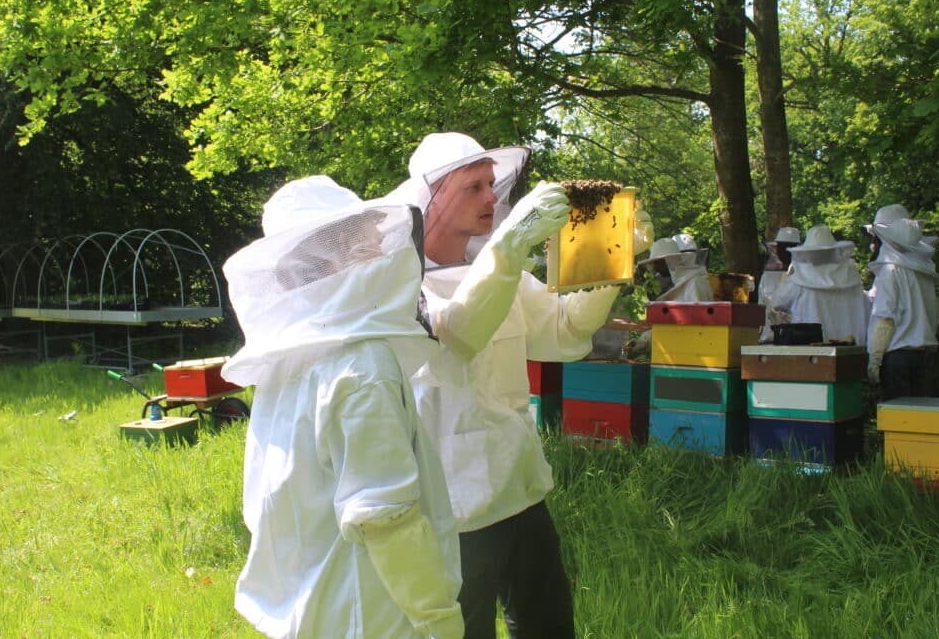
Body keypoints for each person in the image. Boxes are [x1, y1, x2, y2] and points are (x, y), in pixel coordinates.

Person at [386, 132, 652, 639]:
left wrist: (613, 263)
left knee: (547, 624)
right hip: (451, 502)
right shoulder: (401, 283)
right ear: (431, 196)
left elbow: (567, 333)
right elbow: (461, 332)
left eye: (492, 184)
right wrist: (508, 247)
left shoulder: (501, 271)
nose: (491, 197)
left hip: (521, 485)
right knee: (464, 631)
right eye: (474, 187)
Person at [222, 175, 464, 639]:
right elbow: (386, 518)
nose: (382, 255)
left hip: (314, 610)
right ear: (337, 260)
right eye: (369, 244)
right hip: (374, 617)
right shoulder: (361, 366)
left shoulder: (288, 360)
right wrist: (439, 618)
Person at [864, 207, 939, 400]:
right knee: (917, 415)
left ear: (884, 238)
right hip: (921, 356)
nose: (872, 244)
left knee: (896, 415)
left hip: (896, 358)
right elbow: (934, 315)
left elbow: (885, 318)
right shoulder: (921, 270)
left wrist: (875, 358)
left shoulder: (890, 271)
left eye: (874, 238)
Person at [769, 225, 869, 346]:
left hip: (811, 349)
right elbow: (865, 309)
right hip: (849, 347)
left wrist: (785, 281)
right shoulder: (850, 274)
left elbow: (777, 302)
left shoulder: (800, 278)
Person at [757, 227, 801, 342]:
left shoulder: (803, 276)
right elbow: (761, 307)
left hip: (797, 338)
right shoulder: (767, 277)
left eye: (786, 247)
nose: (781, 251)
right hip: (768, 339)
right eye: (779, 247)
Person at [638, 237, 714, 302]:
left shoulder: (695, 282)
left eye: (656, 263)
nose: (655, 268)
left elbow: (699, 312)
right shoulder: (679, 280)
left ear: (668, 260)